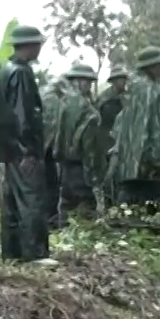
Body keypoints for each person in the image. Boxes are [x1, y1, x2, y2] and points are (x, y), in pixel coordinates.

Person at [0, 25, 50, 262]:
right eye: (38, 44)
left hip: (9, 149)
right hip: (22, 150)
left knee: (12, 204)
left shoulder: (5, 71)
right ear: (30, 45)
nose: (40, 48)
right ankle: (34, 255)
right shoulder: (21, 73)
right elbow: (22, 114)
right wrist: (28, 151)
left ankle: (11, 254)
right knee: (31, 199)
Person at [108, 46, 160, 207]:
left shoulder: (131, 91)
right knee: (150, 210)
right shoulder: (153, 92)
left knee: (127, 205)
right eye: (159, 65)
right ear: (152, 67)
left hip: (127, 163)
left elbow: (120, 125)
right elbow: (156, 130)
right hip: (148, 166)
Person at [53, 63, 103, 225]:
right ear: (81, 82)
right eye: (87, 82)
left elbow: (58, 138)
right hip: (82, 169)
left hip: (66, 167)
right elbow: (91, 150)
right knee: (86, 210)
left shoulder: (63, 104)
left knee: (66, 207)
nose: (88, 86)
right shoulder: (89, 112)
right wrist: (95, 178)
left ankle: (63, 241)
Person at [40, 62, 76, 230]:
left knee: (50, 186)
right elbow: (54, 127)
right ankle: (51, 221)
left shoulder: (46, 94)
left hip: (41, 149)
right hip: (46, 150)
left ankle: (50, 220)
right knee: (51, 186)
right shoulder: (53, 99)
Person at [96, 68, 127, 205]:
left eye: (124, 79)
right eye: (119, 79)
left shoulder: (127, 97)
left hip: (124, 140)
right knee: (108, 176)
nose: (123, 82)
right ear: (113, 81)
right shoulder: (105, 99)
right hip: (106, 141)